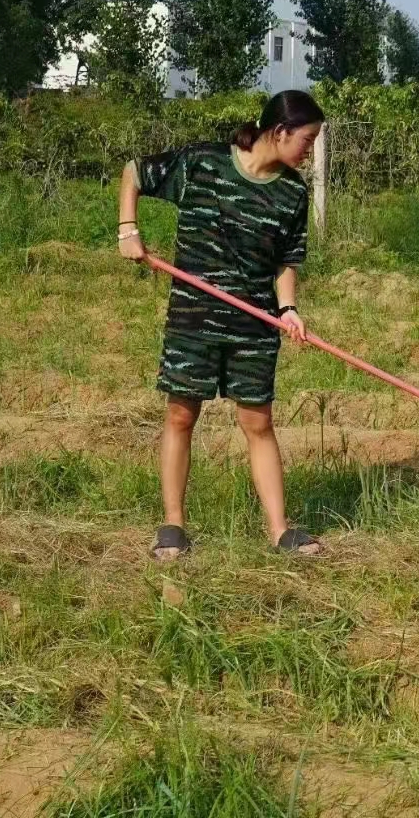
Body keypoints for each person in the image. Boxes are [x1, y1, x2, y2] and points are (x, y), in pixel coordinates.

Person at [117, 89, 327, 561]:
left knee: (258, 421)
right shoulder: (203, 164)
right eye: (307, 140)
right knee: (180, 414)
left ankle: (279, 530)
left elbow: (287, 260)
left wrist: (288, 309)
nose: (309, 150)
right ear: (279, 131)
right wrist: (128, 229)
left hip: (253, 323)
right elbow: (134, 172)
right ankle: (173, 525)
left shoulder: (293, 193)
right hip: (193, 319)